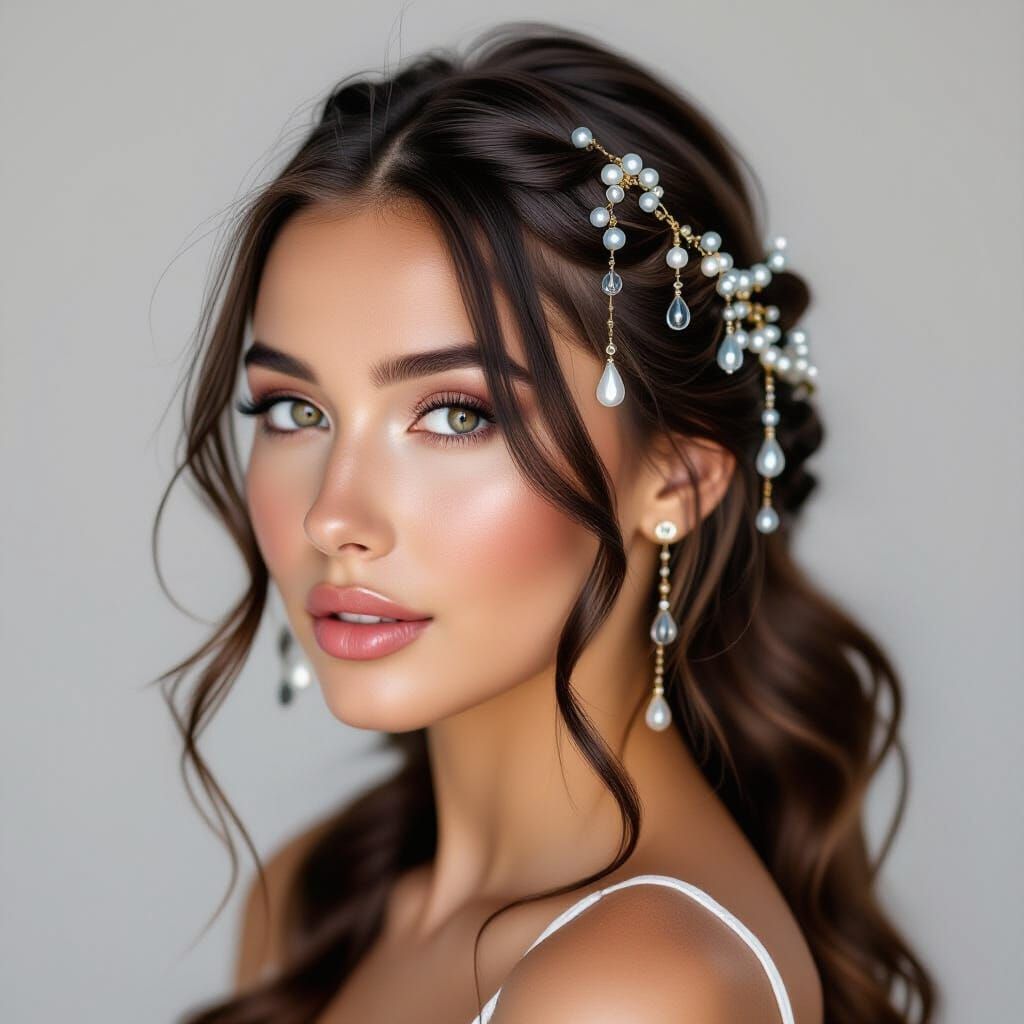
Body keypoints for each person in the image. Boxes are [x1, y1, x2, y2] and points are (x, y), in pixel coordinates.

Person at [154, 20, 936, 1024]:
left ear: (677, 478)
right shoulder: (314, 900)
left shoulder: (639, 987)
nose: (332, 515)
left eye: (454, 415)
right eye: (295, 411)